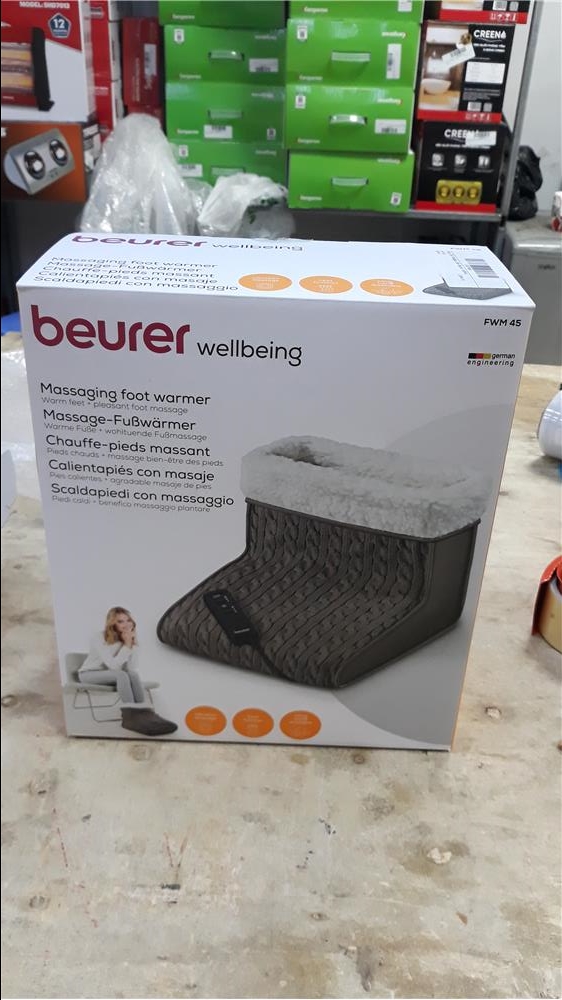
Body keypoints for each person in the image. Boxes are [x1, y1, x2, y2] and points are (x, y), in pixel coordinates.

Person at [79, 607, 177, 736]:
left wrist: (132, 644)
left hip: (113, 675)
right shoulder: (99, 637)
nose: (126, 624)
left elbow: (131, 667)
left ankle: (145, 714)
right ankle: (131, 717)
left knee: (133, 674)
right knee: (121, 674)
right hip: (89, 674)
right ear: (112, 623)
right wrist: (126, 645)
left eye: (128, 620)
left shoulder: (127, 637)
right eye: (120, 621)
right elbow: (113, 666)